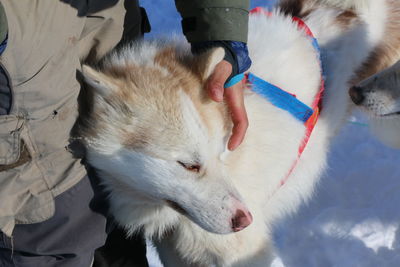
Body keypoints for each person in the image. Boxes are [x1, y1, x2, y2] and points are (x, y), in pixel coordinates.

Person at [0, 0, 251, 266]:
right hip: (18, 38)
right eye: (190, 166)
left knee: (116, 230)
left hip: (110, 15)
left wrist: (222, 35)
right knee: (54, 226)